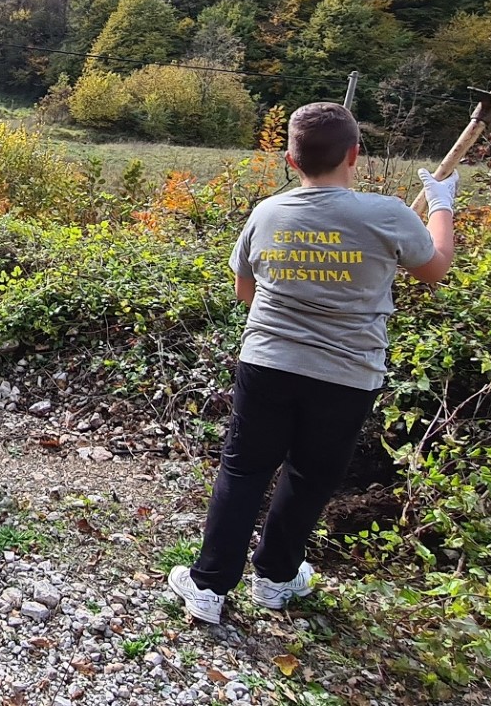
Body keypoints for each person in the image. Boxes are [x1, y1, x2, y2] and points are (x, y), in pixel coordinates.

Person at [167, 102, 457, 624]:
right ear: (354, 154)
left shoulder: (268, 213)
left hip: (268, 362)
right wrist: (441, 205)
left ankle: (209, 586)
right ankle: (276, 579)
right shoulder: (388, 214)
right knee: (310, 475)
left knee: (244, 468)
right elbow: (434, 269)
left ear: (290, 160)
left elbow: (245, 292)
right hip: (347, 375)